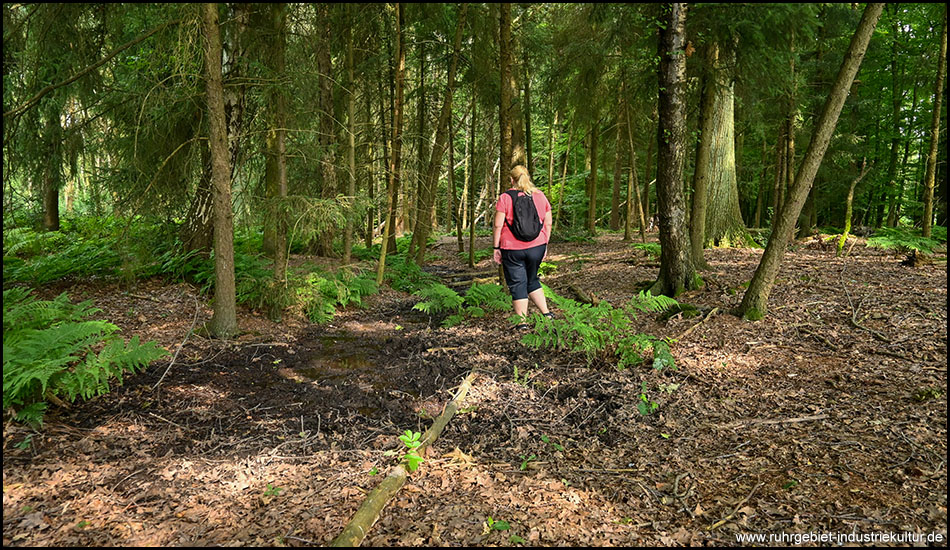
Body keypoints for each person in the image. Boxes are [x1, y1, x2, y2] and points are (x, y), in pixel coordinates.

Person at [493, 165, 554, 329]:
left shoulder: (505, 197)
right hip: (537, 246)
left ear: (511, 179)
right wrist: (545, 244)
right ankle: (547, 314)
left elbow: (498, 226)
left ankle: (522, 323)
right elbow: (548, 223)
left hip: (512, 248)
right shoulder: (540, 196)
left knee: (518, 282)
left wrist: (496, 248)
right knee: (532, 278)